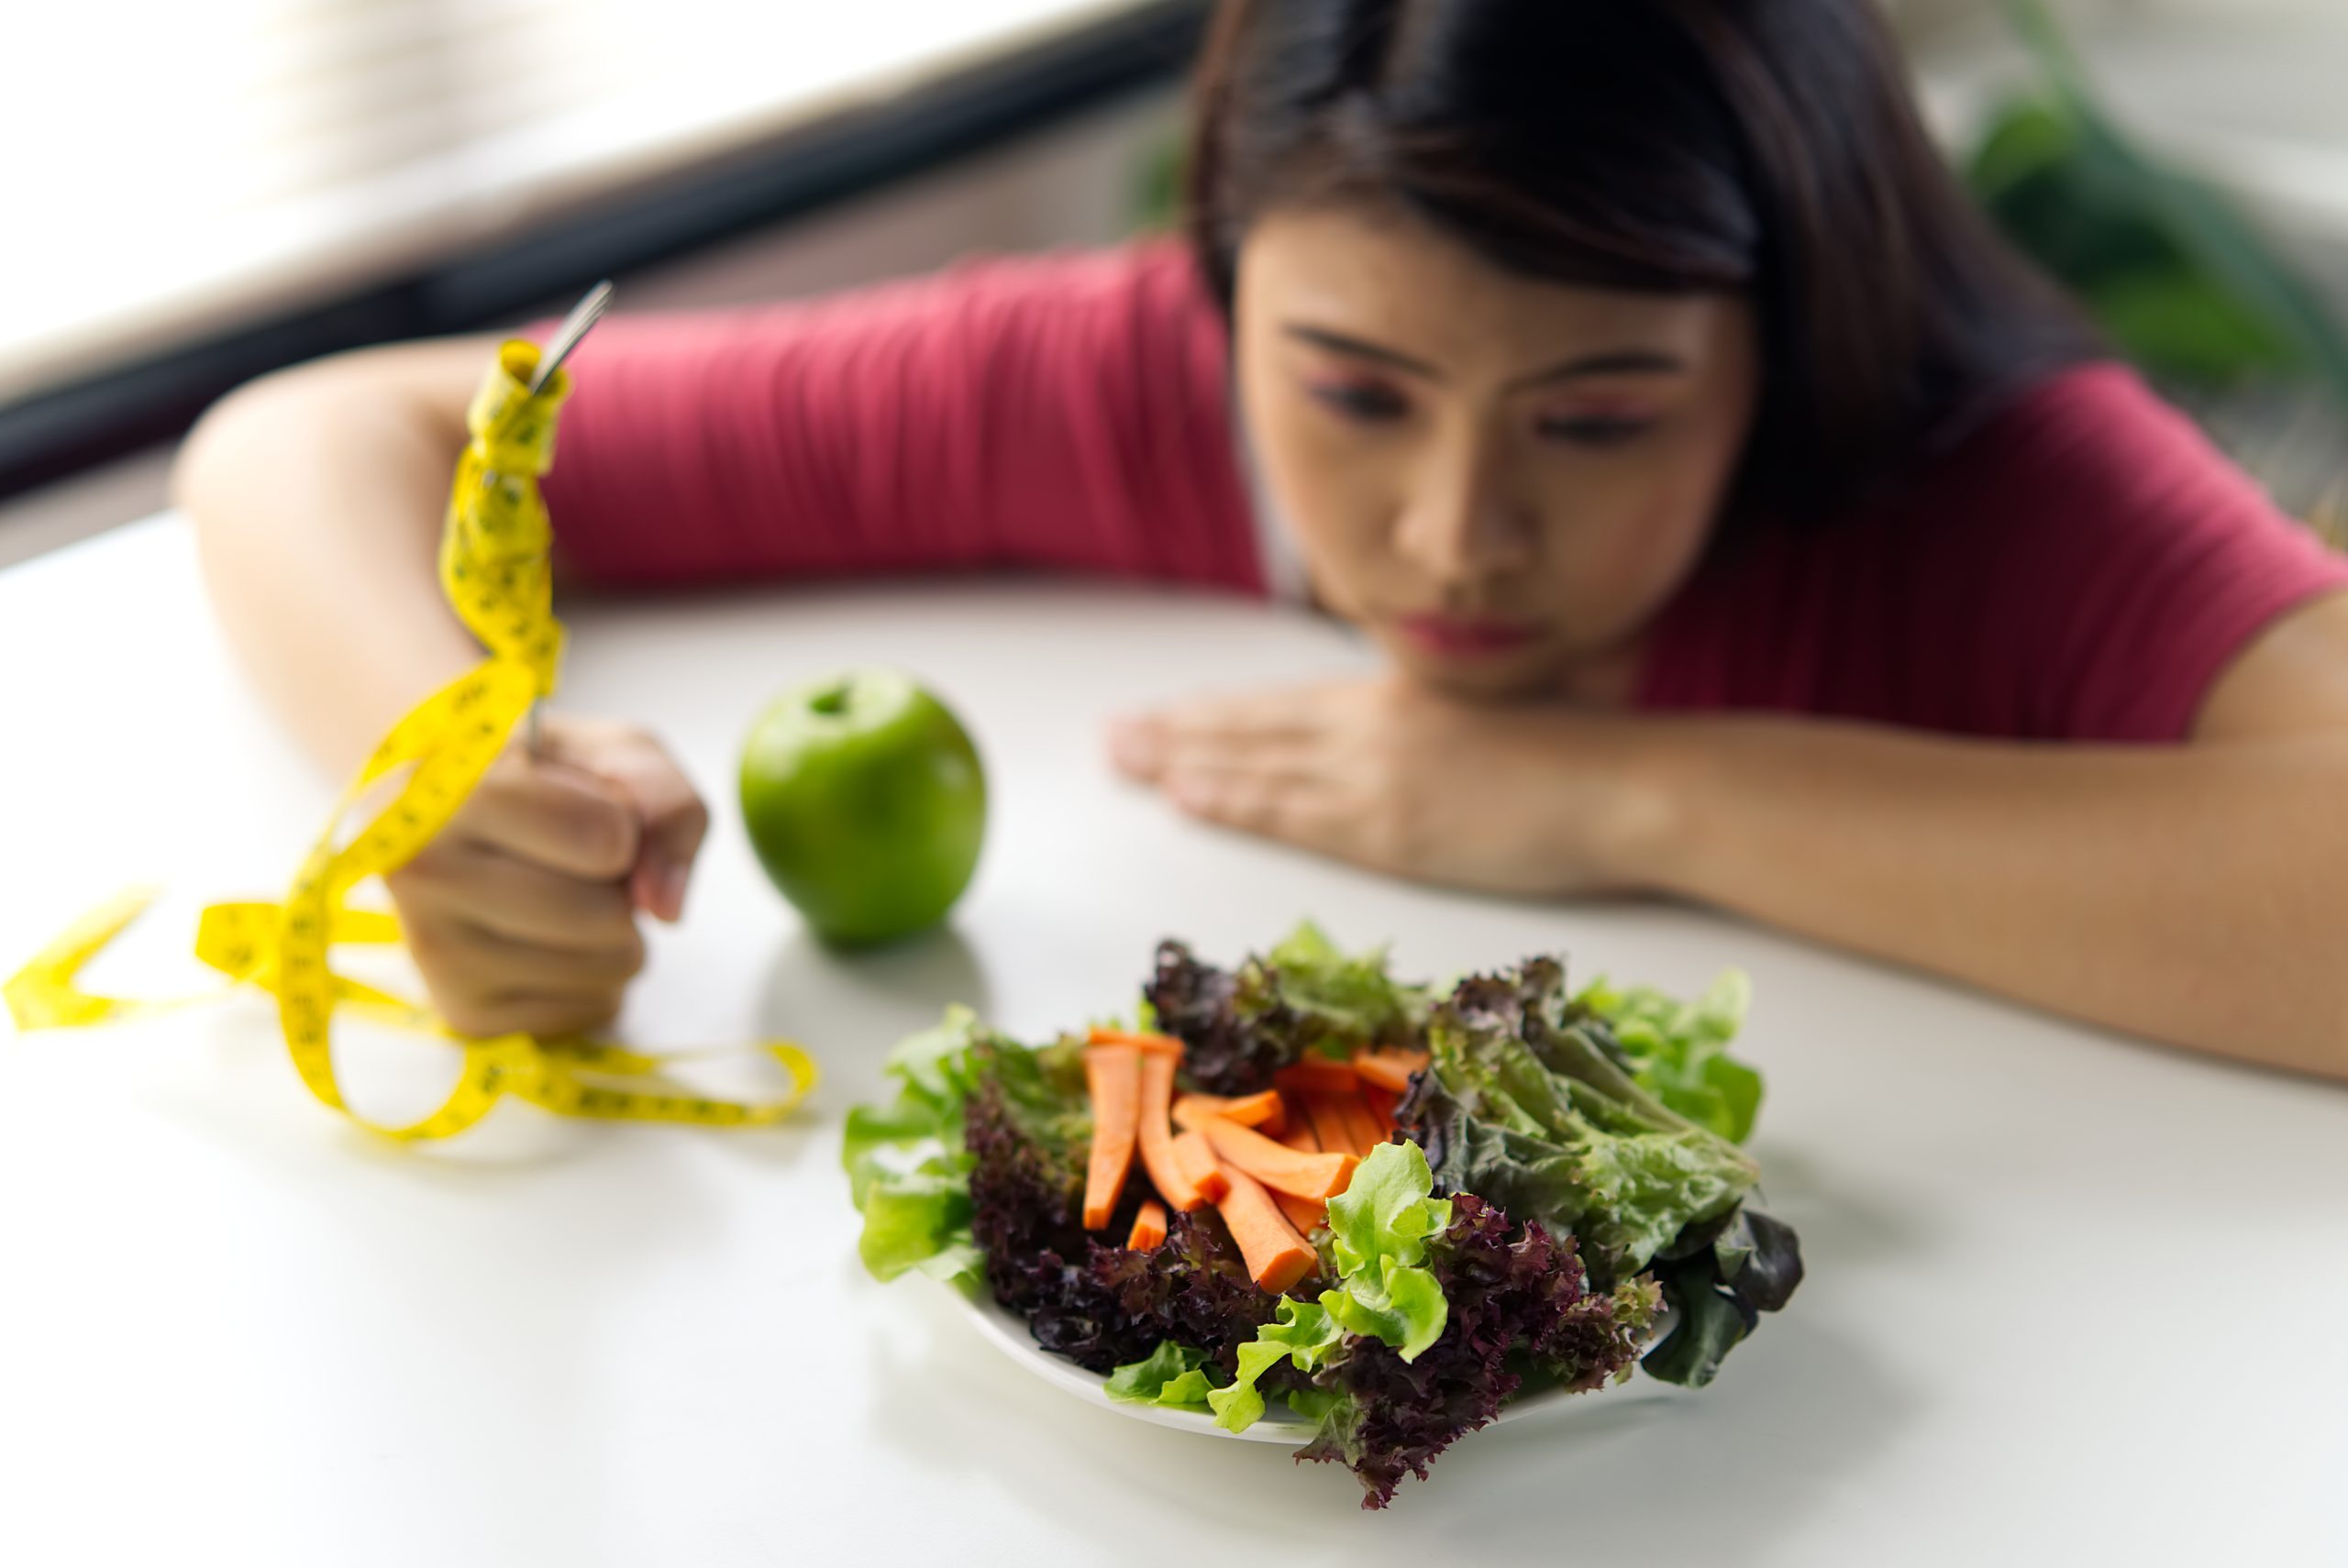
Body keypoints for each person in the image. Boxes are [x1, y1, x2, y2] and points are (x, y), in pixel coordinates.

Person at [174, 0, 2348, 1079]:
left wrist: (1610, 791)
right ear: (1219, 278)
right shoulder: (1131, 379)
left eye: (1599, 415)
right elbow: (319, 435)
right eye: (1349, 394)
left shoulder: (1983, 476)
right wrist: (433, 758)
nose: (1449, 532)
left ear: (1796, 338)